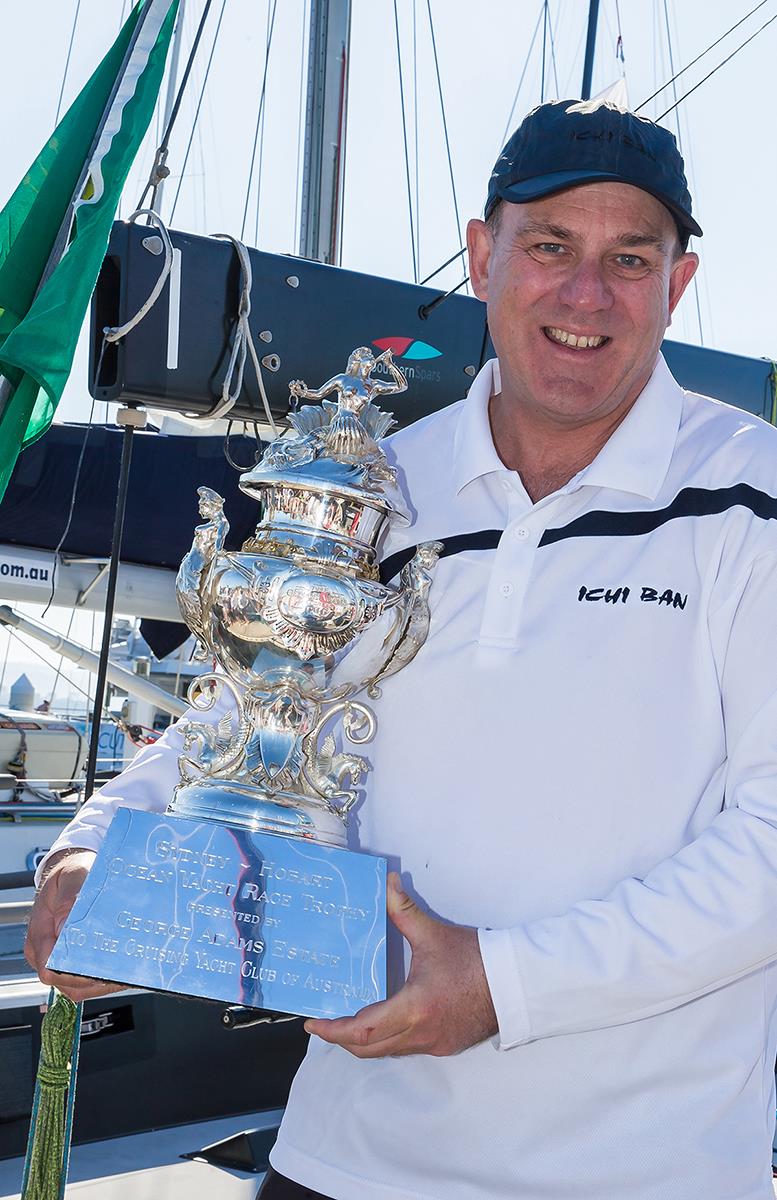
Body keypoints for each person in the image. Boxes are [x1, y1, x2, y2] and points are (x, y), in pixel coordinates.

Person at [26, 98, 777, 1200]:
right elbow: (252, 708)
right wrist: (90, 851)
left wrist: (503, 984)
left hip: (648, 1176)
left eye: (630, 260)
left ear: (679, 285)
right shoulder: (376, 487)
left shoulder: (750, 501)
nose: (585, 295)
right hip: (342, 1160)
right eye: (551, 248)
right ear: (484, 257)